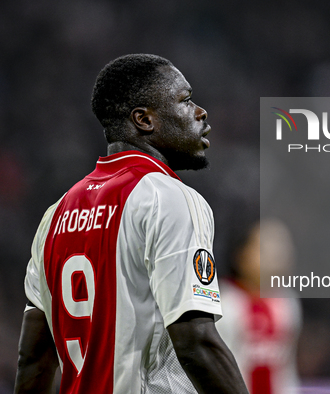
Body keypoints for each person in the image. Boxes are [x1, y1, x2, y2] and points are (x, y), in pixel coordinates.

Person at [14, 54, 248, 394]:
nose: (200, 112)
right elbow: (196, 343)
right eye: (185, 101)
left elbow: (33, 358)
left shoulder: (56, 213)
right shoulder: (168, 199)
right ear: (144, 120)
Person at [216, 219, 301, 394]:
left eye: (282, 248)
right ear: (241, 255)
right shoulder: (224, 302)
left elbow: (287, 369)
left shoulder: (288, 303)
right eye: (264, 248)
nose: (276, 256)